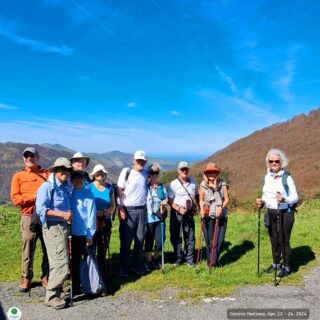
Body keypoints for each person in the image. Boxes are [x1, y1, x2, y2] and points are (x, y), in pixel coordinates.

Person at [10, 147, 49, 292]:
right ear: (23, 158)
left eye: (31, 156)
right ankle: (26, 277)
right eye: (26, 156)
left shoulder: (46, 174)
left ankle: (46, 275)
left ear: (37, 158)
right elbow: (16, 199)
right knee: (27, 246)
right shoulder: (18, 176)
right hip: (28, 216)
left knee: (47, 246)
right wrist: (35, 197)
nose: (28, 158)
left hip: (45, 216)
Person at [36, 157, 72, 310]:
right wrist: (62, 215)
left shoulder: (64, 186)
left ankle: (56, 291)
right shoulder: (47, 187)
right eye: (62, 169)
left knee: (58, 260)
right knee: (61, 262)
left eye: (67, 170)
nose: (65, 172)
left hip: (62, 226)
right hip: (52, 227)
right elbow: (41, 210)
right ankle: (51, 296)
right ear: (56, 170)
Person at [256, 148, 299, 278]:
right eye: (271, 161)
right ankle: (275, 264)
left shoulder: (287, 178)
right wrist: (261, 201)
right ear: (268, 162)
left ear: (281, 162)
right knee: (274, 240)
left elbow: (296, 197)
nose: (274, 163)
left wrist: (285, 199)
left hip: (285, 212)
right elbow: (266, 195)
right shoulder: (266, 177)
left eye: (276, 161)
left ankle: (286, 267)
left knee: (283, 240)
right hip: (270, 212)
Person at [117, 150, 148, 277]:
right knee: (126, 240)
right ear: (133, 161)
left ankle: (137, 265)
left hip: (142, 209)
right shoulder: (126, 172)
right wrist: (120, 208)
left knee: (140, 239)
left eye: (142, 161)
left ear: (145, 162)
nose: (140, 163)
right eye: (138, 160)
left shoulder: (146, 174)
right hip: (128, 210)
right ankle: (124, 268)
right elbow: (119, 189)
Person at [70, 170, 96, 294]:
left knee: (88, 261)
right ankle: (75, 286)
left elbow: (91, 215)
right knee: (74, 262)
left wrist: (90, 234)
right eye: (74, 178)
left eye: (80, 178)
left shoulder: (88, 194)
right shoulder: (69, 193)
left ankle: (90, 285)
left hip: (85, 234)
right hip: (71, 235)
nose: (77, 180)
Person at [168, 161, 199, 267]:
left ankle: (189, 258)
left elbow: (197, 195)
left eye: (186, 169)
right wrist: (178, 208)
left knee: (190, 235)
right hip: (177, 212)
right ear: (178, 171)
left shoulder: (193, 182)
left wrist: (198, 206)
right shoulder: (173, 184)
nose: (184, 171)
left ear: (188, 170)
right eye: (182, 169)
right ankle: (177, 257)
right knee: (176, 236)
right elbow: (169, 200)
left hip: (189, 213)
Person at [198, 163, 229, 267]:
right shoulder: (202, 185)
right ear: (206, 174)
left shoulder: (223, 184)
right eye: (209, 172)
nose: (212, 174)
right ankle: (211, 263)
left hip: (221, 216)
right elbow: (201, 200)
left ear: (217, 173)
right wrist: (201, 209)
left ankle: (213, 261)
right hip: (207, 215)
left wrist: (221, 207)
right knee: (210, 241)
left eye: (214, 172)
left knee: (219, 241)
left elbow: (226, 199)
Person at [89, 164, 115, 280]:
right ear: (94, 175)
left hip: (106, 220)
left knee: (104, 243)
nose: (100, 174)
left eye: (102, 172)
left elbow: (113, 204)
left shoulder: (109, 188)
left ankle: (102, 267)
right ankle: (93, 269)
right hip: (93, 221)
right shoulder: (88, 188)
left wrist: (108, 211)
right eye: (97, 173)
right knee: (93, 244)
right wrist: (96, 213)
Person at [145, 163, 168, 271]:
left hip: (160, 217)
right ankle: (149, 262)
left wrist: (164, 202)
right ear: (149, 174)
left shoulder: (162, 186)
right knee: (149, 240)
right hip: (149, 218)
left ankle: (156, 257)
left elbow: (166, 198)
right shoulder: (145, 187)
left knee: (160, 241)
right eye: (152, 173)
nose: (154, 175)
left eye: (156, 173)